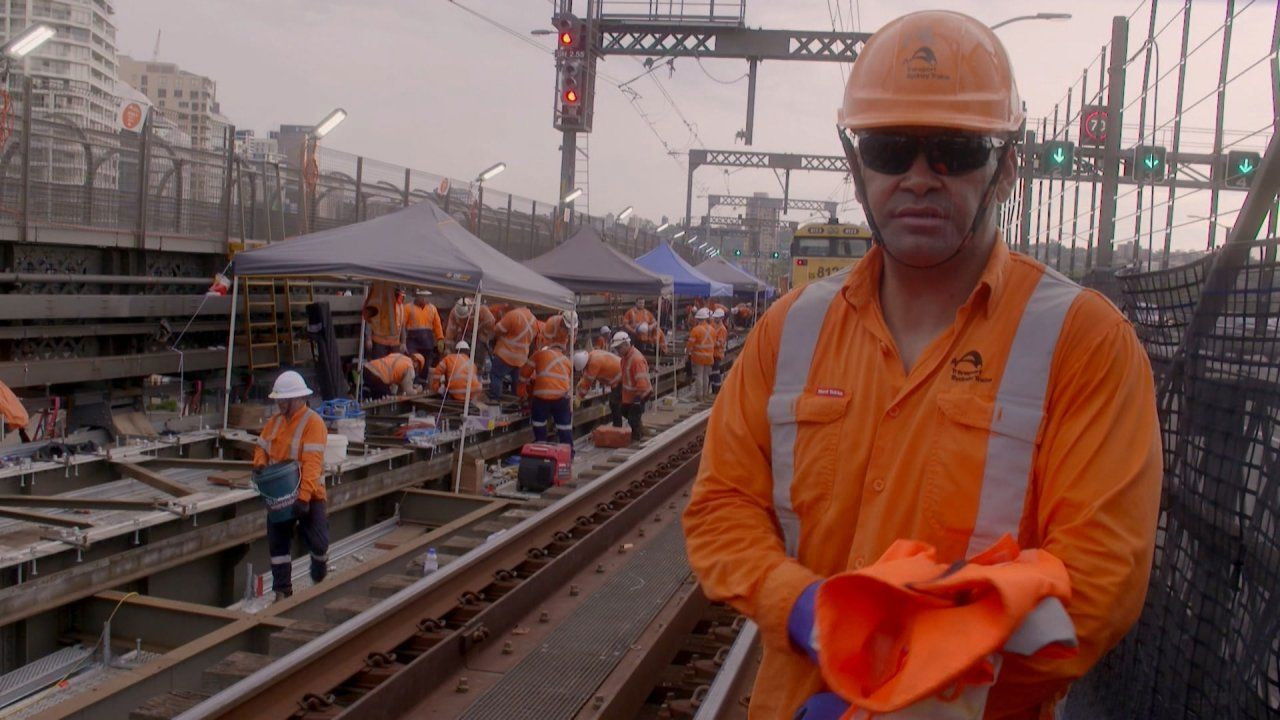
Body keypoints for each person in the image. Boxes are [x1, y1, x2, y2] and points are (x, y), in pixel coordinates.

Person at [682, 10, 1162, 720]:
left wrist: (899, 697)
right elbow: (722, 508)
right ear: (855, 166)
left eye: (954, 151)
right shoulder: (789, 333)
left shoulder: (1083, 343)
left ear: (1005, 171)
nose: (918, 176)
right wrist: (804, 608)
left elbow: (1095, 583)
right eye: (890, 147)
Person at [253, 371, 329, 602]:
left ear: (296, 399)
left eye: (282, 400)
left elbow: (312, 464)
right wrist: (259, 464)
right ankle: (282, 591)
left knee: (318, 542)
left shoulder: (313, 423)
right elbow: (262, 447)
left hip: (309, 494)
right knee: (278, 544)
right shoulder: (274, 422)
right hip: (280, 495)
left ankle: (319, 567)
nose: (278, 404)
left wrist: (304, 498)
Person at [519, 345, 574, 446]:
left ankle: (541, 447)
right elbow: (567, 381)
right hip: (561, 397)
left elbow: (524, 373)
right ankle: (568, 452)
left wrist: (522, 390)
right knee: (564, 426)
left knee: (539, 423)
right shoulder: (566, 360)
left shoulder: (539, 355)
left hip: (542, 397)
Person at [612, 331, 653, 443]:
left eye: (619, 348)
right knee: (625, 410)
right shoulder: (625, 358)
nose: (618, 351)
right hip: (632, 394)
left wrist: (637, 400)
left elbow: (642, 381)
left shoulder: (636, 359)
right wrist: (616, 384)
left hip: (641, 393)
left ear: (626, 344)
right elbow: (625, 375)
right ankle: (640, 430)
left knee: (633, 418)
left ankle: (639, 437)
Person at [491, 305, 537, 400]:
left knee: (496, 376)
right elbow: (532, 338)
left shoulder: (513, 315)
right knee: (516, 382)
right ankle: (515, 404)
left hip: (505, 355)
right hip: (521, 359)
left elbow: (497, 330)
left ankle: (496, 400)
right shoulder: (533, 320)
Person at [574, 348, 623, 425]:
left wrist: (579, 397)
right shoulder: (592, 354)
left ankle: (618, 428)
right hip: (620, 374)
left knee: (615, 404)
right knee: (615, 403)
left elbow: (587, 384)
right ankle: (619, 426)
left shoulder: (594, 363)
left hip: (620, 378)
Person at [445, 298, 496, 371]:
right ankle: (460, 367)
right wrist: (448, 349)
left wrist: (480, 332)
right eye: (462, 318)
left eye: (465, 318)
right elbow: (450, 332)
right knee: (459, 345)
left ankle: (478, 370)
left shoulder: (481, 310)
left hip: (479, 334)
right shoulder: (454, 313)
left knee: (480, 346)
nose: (464, 319)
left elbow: (491, 322)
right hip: (464, 334)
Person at [362, 281, 406, 360]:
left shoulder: (400, 306)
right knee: (380, 367)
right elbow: (371, 321)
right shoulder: (380, 303)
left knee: (393, 367)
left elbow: (402, 325)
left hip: (395, 344)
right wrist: (368, 338)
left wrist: (403, 342)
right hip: (379, 343)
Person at [404, 290, 445, 368]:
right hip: (412, 342)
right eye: (422, 297)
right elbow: (402, 325)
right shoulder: (408, 307)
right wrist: (402, 341)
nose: (424, 299)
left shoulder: (432, 308)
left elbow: (437, 325)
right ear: (416, 296)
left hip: (427, 343)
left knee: (426, 364)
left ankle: (423, 379)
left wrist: (440, 338)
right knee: (414, 363)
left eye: (426, 297)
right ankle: (414, 378)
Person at [686, 308, 716, 401]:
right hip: (709, 357)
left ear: (698, 319)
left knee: (699, 376)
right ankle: (705, 394)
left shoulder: (696, 330)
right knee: (706, 376)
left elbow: (690, 344)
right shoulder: (712, 329)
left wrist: (687, 353)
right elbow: (713, 343)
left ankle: (699, 396)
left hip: (699, 357)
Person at [710, 308, 729, 392]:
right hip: (712, 353)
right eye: (715, 317)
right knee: (713, 373)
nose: (715, 319)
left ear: (721, 318)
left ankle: (716, 390)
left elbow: (719, 343)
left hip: (717, 354)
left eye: (716, 318)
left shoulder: (722, 329)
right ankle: (714, 389)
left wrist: (710, 343)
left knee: (716, 372)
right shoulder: (714, 326)